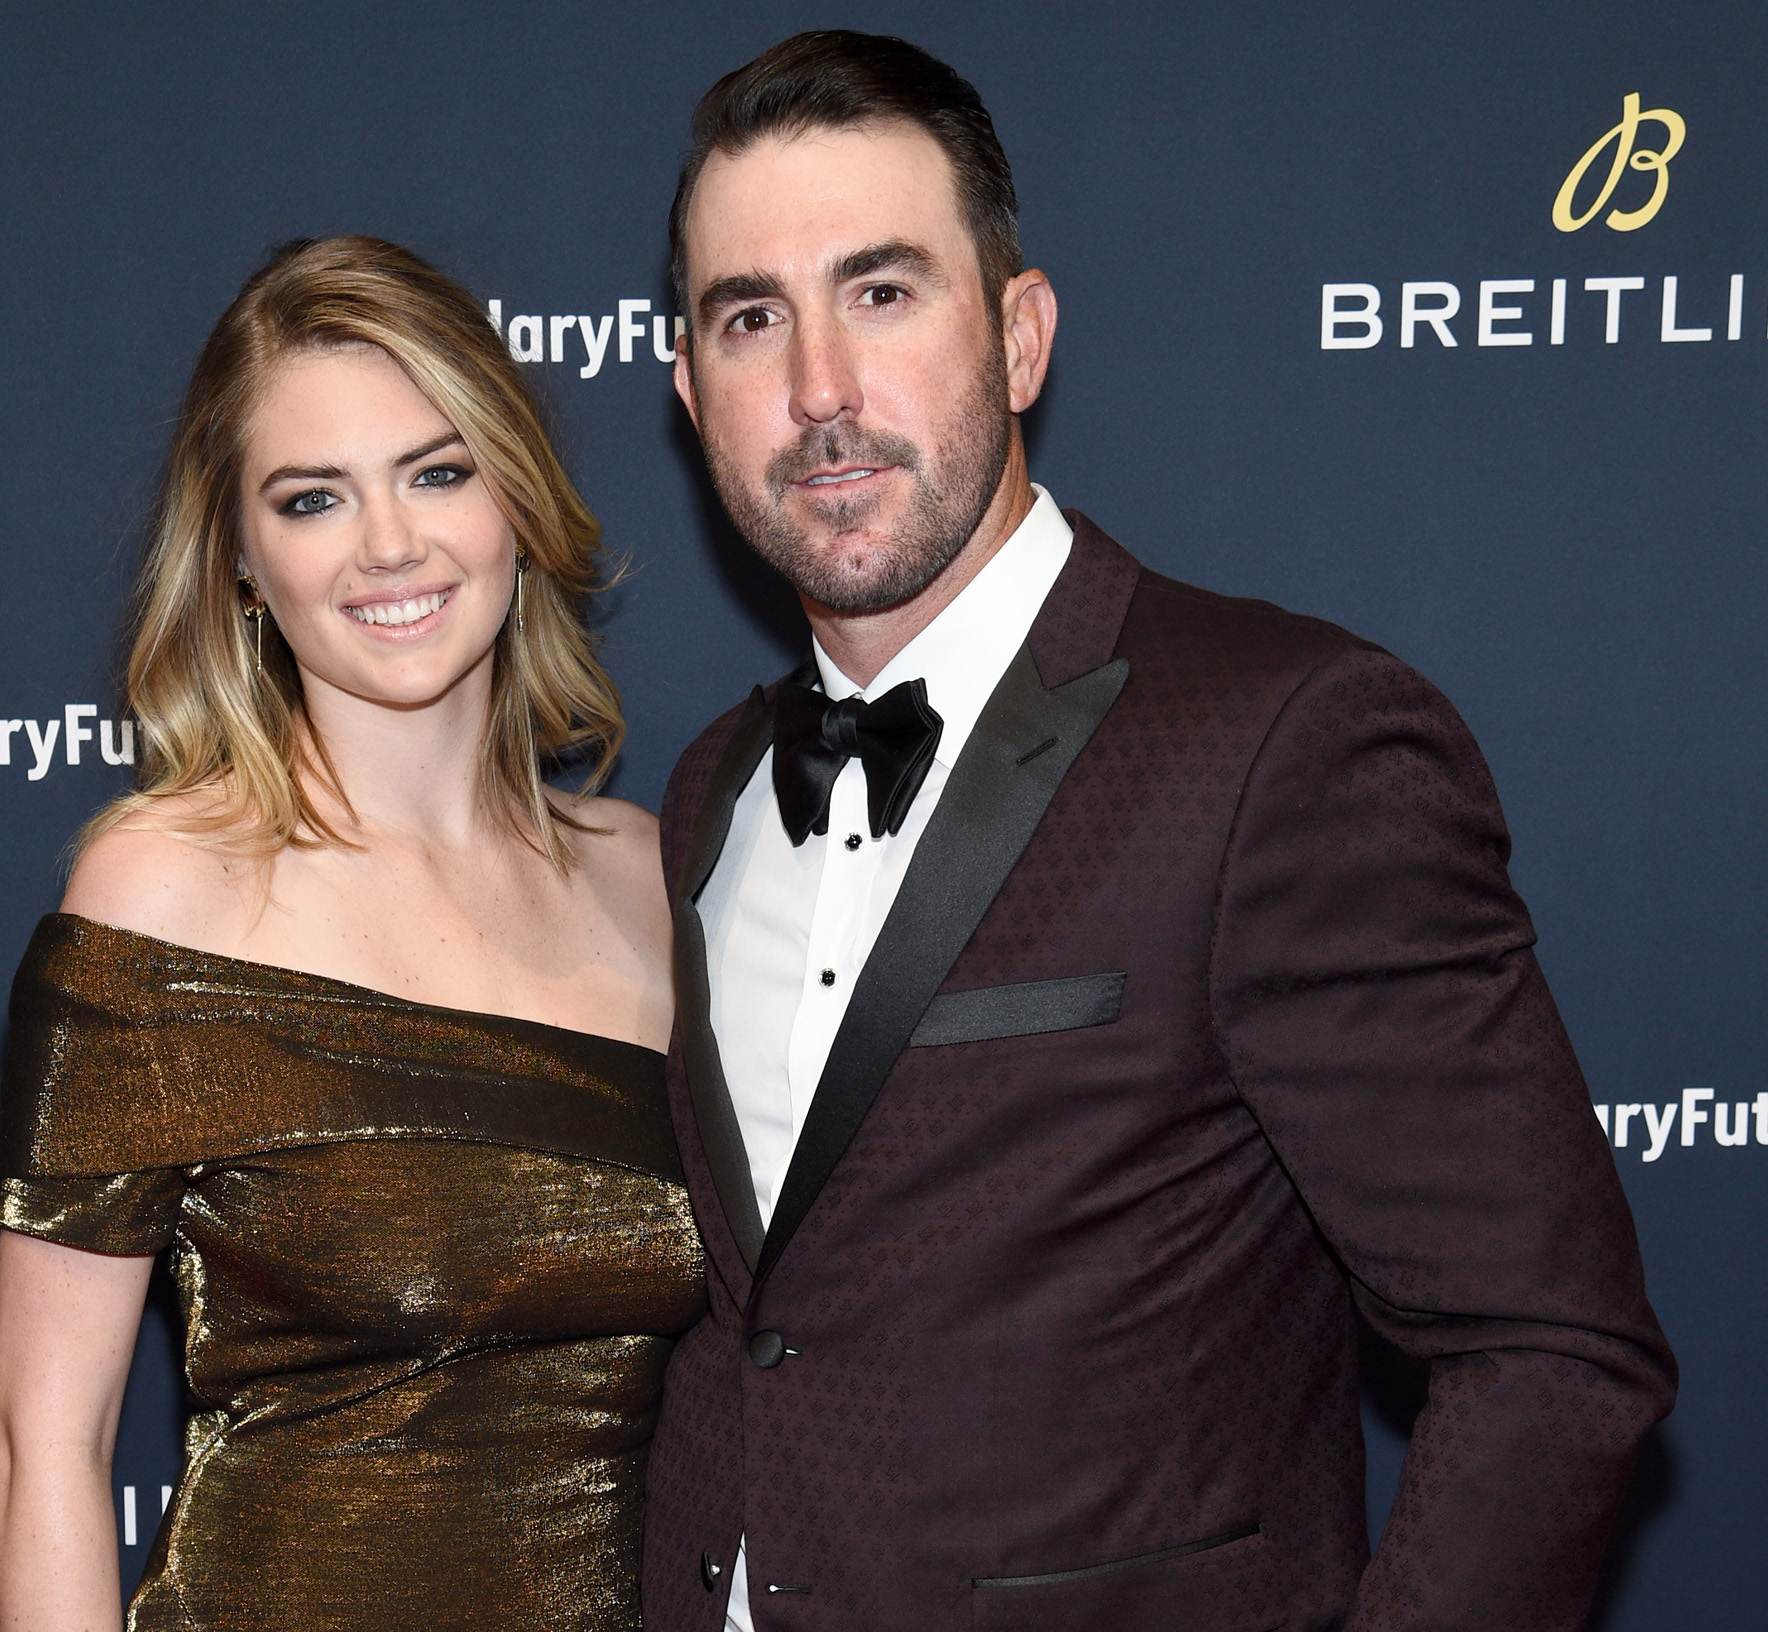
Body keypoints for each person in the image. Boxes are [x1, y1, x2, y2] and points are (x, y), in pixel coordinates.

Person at [644, 31, 1675, 1632]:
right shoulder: (710, 787)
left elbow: (1554, 1351)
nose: (820, 390)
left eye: (884, 291)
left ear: (1021, 333)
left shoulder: (1282, 738)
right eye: (751, 317)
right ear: (689, 383)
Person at [0, 236, 704, 1632]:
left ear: (516, 497)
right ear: (245, 563)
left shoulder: (652, 877)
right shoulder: (164, 894)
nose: (391, 545)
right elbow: (41, 1453)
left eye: (438, 472)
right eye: (314, 499)